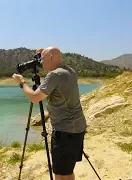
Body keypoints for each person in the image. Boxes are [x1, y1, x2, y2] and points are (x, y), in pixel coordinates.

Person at [12, 46, 87, 180]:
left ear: (51, 58)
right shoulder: (70, 71)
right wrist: (44, 53)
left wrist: (22, 83)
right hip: (78, 128)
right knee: (68, 170)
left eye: (43, 59)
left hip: (64, 132)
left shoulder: (54, 75)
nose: (41, 63)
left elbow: (35, 97)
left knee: (59, 174)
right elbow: (54, 57)